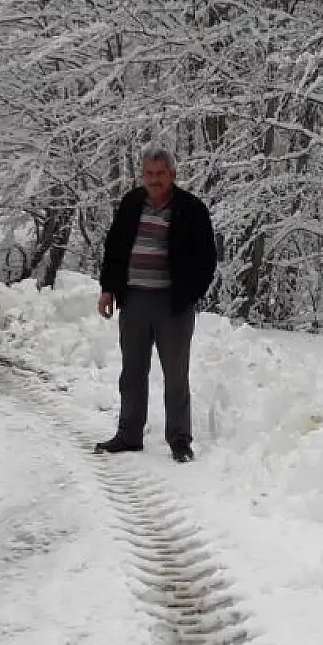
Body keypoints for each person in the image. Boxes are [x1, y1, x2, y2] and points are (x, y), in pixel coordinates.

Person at [94, 146, 217, 462]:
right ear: (142, 175)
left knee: (176, 374)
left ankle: (179, 439)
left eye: (160, 174)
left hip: (172, 304)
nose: (154, 180)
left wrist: (191, 294)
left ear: (172, 175)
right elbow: (115, 249)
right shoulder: (132, 204)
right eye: (149, 173)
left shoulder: (191, 209)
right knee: (132, 372)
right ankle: (129, 434)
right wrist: (108, 289)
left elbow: (207, 258)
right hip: (133, 300)